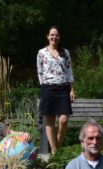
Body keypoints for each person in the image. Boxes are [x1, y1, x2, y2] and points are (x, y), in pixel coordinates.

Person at [37, 26, 75, 154]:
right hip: (48, 88)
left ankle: (57, 144)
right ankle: (54, 151)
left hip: (63, 88)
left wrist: (72, 89)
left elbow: (69, 71)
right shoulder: (41, 53)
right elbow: (40, 72)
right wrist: (44, 86)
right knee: (50, 121)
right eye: (52, 35)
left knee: (64, 120)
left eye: (57, 35)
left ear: (60, 37)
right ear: (47, 36)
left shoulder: (65, 53)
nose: (54, 37)